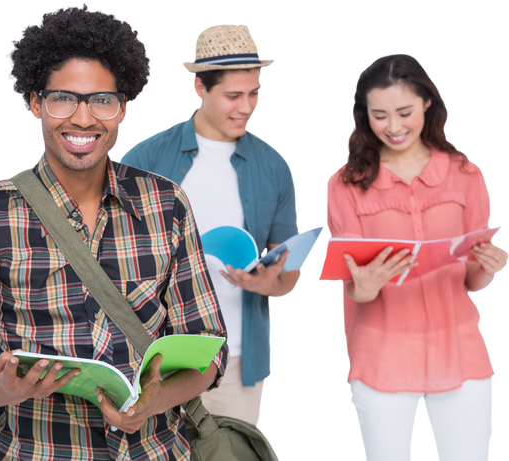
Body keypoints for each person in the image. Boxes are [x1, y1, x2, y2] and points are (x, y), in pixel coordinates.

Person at [0, 4, 228, 461]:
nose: (84, 118)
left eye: (102, 100)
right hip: (37, 451)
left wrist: (153, 401)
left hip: (154, 451)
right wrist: (3, 388)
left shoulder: (166, 204)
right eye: (63, 98)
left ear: (123, 110)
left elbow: (208, 352)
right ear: (35, 103)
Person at [324, 51, 507, 461]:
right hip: (380, 357)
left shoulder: (467, 175)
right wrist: (365, 285)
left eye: (404, 112)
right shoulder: (344, 184)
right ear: (363, 114)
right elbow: (352, 282)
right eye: (379, 115)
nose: (393, 127)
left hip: (461, 354)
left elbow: (471, 281)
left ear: (427, 102)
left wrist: (488, 270)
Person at [118, 21, 301, 426]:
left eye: (255, 93)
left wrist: (268, 283)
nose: (247, 106)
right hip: (155, 358)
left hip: (238, 361)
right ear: (198, 88)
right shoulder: (144, 158)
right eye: (233, 95)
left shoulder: (274, 166)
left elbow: (289, 275)